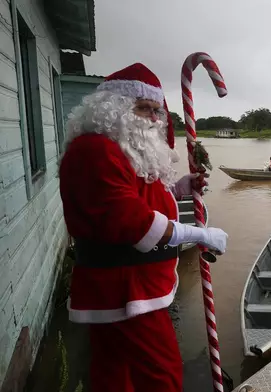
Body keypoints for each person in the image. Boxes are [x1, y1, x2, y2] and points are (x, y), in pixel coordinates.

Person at [58, 63, 229, 392]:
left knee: (114, 374)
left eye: (156, 111)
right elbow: (135, 223)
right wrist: (201, 234)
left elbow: (139, 196)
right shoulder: (95, 150)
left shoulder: (120, 150)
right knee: (160, 376)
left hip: (128, 289)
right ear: (114, 109)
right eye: (144, 109)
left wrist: (179, 188)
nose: (153, 119)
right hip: (125, 292)